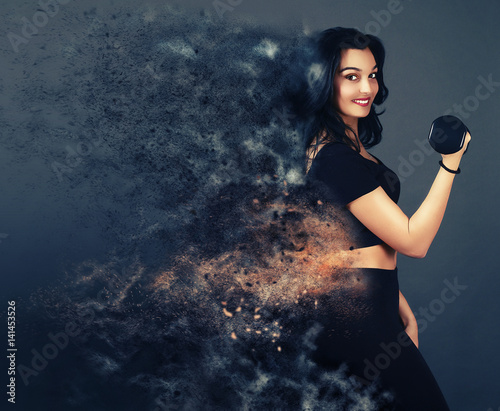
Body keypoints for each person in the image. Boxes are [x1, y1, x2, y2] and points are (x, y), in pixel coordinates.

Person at [289, 27, 471, 410]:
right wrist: (450, 164)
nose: (366, 87)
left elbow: (349, 247)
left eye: (372, 75)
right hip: (355, 323)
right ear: (324, 80)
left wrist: (399, 307)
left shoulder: (344, 151)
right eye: (351, 76)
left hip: (372, 311)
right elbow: (413, 241)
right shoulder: (334, 159)